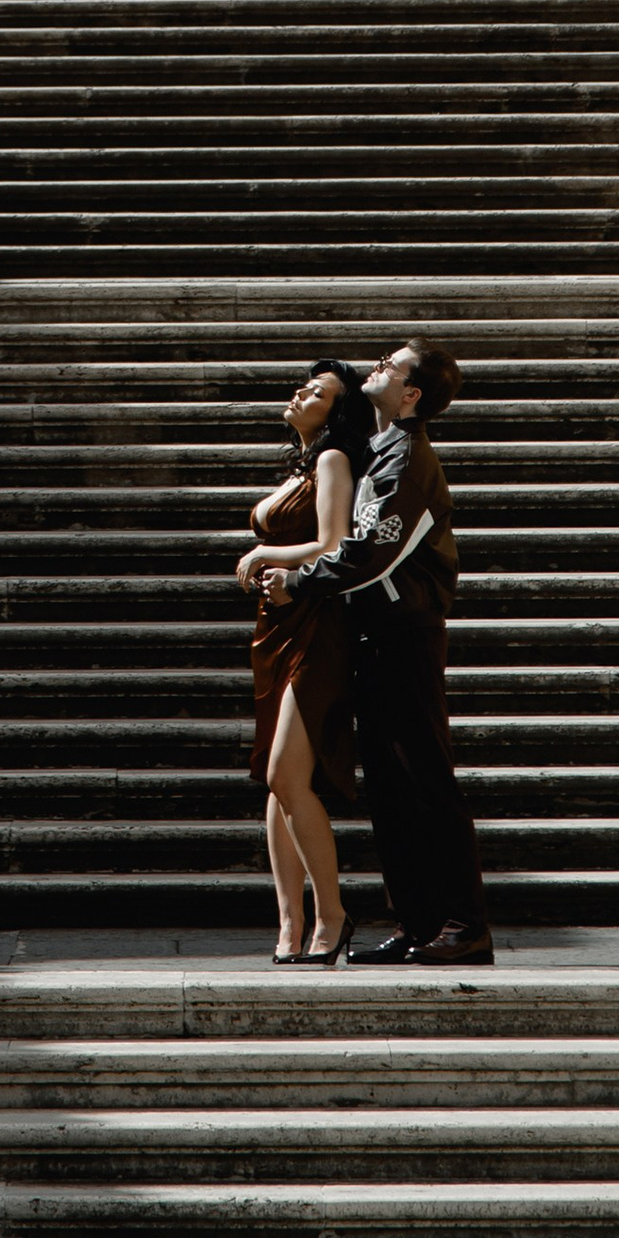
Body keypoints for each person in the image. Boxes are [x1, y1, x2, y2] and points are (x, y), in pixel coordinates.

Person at [245, 335, 492, 967]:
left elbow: (369, 552)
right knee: (389, 788)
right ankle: (416, 922)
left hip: (407, 634)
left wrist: (299, 579)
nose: (376, 368)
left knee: (427, 782)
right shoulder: (382, 450)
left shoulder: (407, 458)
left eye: (390, 366)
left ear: (411, 394)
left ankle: (464, 926)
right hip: (374, 635)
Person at [237, 359, 367, 962]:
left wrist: (267, 551)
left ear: (336, 412)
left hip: (318, 626)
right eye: (303, 385)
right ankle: (290, 927)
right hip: (278, 625)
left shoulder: (333, 459)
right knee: (276, 781)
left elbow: (335, 543)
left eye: (317, 392)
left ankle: (333, 915)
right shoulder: (299, 462)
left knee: (289, 776)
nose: (300, 393)